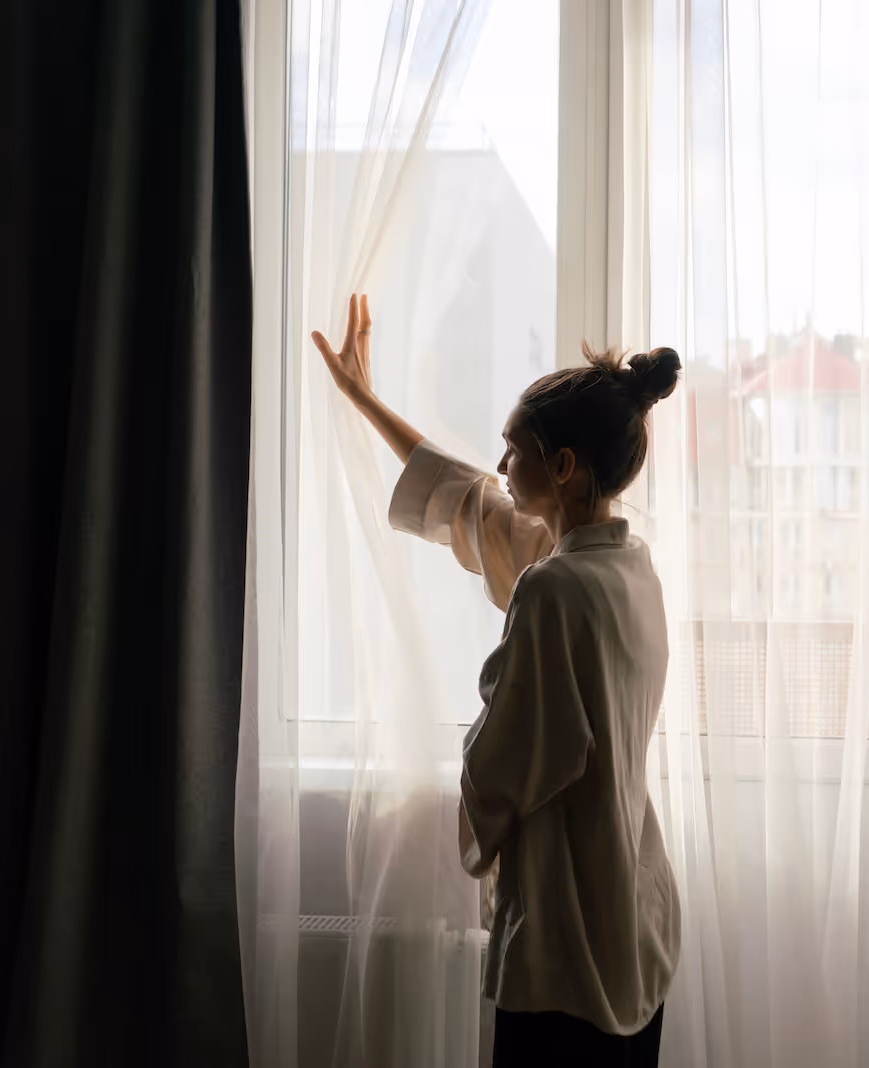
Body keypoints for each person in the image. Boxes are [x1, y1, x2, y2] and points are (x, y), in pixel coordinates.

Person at [313, 294, 682, 1067]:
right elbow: (468, 496)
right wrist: (364, 399)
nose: (502, 464)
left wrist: (469, 774)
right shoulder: (628, 568)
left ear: (564, 468)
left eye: (514, 450)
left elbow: (503, 768)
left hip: (568, 948)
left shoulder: (554, 588)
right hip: (637, 927)